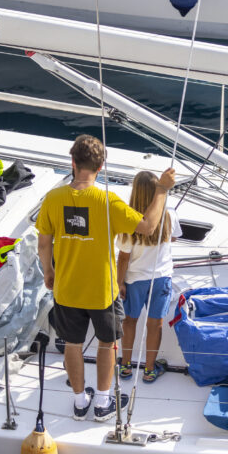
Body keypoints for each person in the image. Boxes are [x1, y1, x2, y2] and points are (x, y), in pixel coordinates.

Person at [36, 134, 176, 421]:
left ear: (72, 162)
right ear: (100, 168)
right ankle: (102, 403)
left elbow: (43, 243)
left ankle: (78, 402)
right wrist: (161, 189)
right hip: (102, 291)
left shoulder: (52, 198)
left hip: (66, 289)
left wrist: (49, 273)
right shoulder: (107, 201)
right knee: (106, 343)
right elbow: (149, 226)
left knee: (72, 345)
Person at [116, 171, 182, 384]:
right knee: (155, 324)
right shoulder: (169, 213)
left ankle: (125, 365)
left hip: (134, 280)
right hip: (161, 278)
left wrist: (119, 282)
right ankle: (150, 369)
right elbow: (174, 237)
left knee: (130, 322)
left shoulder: (129, 221)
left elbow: (123, 258)